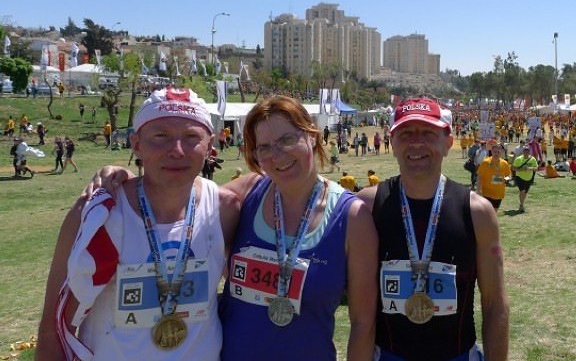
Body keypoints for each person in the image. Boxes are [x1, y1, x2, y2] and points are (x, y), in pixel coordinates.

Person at [35, 88, 241, 360]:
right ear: (136, 144)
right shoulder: (98, 213)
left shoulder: (225, 209)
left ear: (210, 145)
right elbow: (53, 326)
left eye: (191, 137)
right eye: (160, 136)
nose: (177, 150)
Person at [217, 95, 377, 360]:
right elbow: (185, 201)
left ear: (311, 135)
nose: (277, 155)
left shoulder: (352, 217)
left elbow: (363, 324)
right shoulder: (248, 191)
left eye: (287, 140)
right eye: (264, 148)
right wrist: (126, 178)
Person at [356, 96, 509, 360]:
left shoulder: (478, 212)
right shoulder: (366, 207)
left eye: (428, 132)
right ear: (392, 144)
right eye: (405, 133)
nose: (417, 142)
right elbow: (359, 313)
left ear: (449, 142)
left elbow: (495, 305)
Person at [477, 140, 513, 210]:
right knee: (487, 212)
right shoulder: (485, 162)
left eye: (498, 152)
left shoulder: (505, 163)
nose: (496, 154)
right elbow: (479, 176)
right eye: (495, 152)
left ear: (501, 152)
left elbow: (509, 175)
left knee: (494, 212)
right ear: (492, 152)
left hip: (499, 193)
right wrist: (478, 190)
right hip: (487, 192)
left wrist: (506, 179)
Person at [512, 145, 537, 213]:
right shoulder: (518, 159)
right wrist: (520, 169)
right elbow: (513, 168)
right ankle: (522, 205)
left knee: (525, 193)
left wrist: (530, 168)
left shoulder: (532, 159)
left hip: (529, 178)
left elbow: (536, 168)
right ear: (523, 152)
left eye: (527, 151)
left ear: (529, 152)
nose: (526, 152)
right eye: (525, 151)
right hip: (519, 177)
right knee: (522, 191)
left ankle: (522, 203)